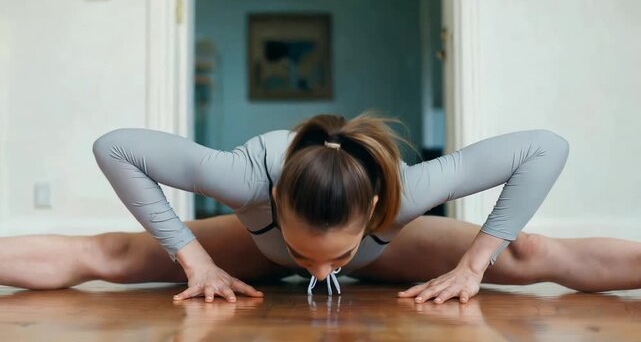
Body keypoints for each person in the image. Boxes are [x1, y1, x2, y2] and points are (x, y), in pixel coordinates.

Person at [1, 112, 640, 304]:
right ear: (275, 200)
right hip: (254, 244)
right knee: (109, 252)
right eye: (305, 255)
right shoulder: (246, 179)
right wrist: (191, 257)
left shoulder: (403, 193)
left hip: (386, 242)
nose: (318, 276)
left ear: (371, 218)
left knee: (528, 253)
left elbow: (545, 148)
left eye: (335, 256)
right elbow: (114, 147)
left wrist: (476, 263)